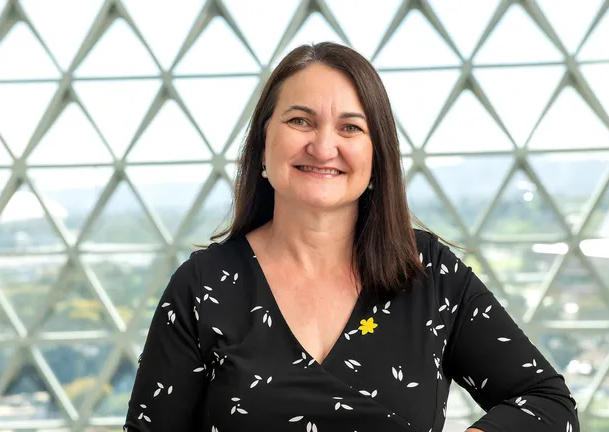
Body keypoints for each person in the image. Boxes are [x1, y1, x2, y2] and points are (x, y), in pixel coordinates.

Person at [124, 42, 580, 432]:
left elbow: (548, 406)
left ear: (376, 155)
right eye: (300, 120)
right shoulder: (203, 287)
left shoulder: (429, 274)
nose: (324, 147)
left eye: (350, 127)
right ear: (263, 142)